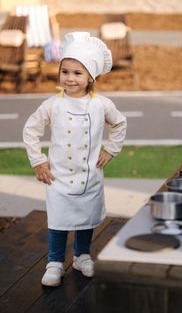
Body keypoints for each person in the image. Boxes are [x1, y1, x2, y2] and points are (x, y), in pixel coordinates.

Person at [23, 32, 127, 287]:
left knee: (86, 218)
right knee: (58, 221)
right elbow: (31, 130)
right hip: (58, 176)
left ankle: (81, 256)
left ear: (90, 76)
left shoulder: (101, 104)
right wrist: (38, 160)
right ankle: (55, 262)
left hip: (89, 175)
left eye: (77, 73)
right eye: (65, 71)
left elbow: (120, 123)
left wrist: (111, 150)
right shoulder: (52, 105)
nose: (70, 78)